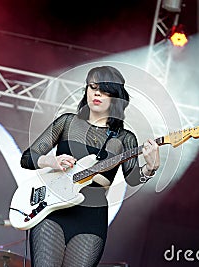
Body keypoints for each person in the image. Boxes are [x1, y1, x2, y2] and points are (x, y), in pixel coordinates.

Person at [20, 65, 160, 267]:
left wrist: (150, 167)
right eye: (93, 87)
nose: (97, 94)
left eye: (105, 91)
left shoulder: (124, 138)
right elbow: (27, 158)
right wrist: (52, 161)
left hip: (91, 217)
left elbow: (133, 178)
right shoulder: (67, 123)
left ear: (116, 98)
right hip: (52, 211)